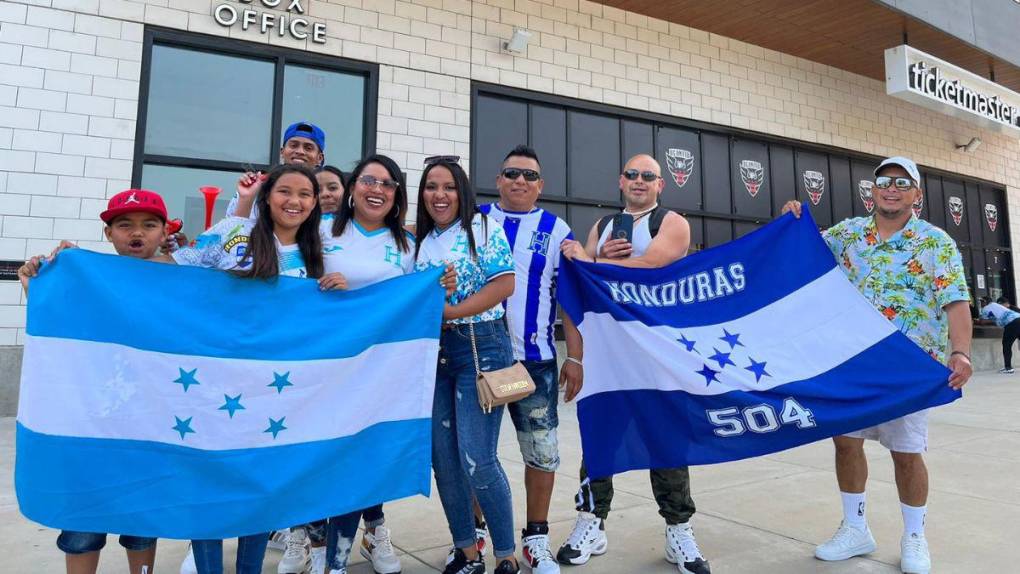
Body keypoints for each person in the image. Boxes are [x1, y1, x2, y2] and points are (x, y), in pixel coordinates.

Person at [782, 155, 972, 574]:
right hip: (853, 365)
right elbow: (802, 247)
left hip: (909, 371)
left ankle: (915, 535)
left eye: (902, 183)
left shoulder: (935, 242)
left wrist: (961, 352)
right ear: (872, 189)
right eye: (883, 181)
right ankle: (854, 528)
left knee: (906, 452)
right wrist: (792, 219)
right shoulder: (848, 234)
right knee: (846, 443)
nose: (891, 188)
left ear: (916, 194)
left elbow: (955, 301)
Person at [558, 154, 710, 574]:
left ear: (661, 185)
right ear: (620, 181)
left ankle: (678, 530)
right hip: (610, 359)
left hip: (657, 357)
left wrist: (596, 261)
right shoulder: (604, 227)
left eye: (648, 176)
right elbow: (580, 281)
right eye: (632, 174)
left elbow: (651, 265)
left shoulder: (671, 222)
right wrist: (575, 355)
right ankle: (591, 522)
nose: (639, 181)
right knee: (599, 441)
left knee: (666, 444)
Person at [172, 163, 326, 574]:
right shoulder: (231, 233)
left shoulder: (319, 254)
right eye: (285, 192)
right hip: (218, 383)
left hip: (277, 392)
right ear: (267, 196)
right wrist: (70, 268)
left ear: (314, 204)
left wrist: (337, 289)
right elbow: (172, 270)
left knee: (259, 487)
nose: (294, 201)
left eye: (305, 194)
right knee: (210, 480)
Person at [17, 189, 173, 574]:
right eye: (125, 225)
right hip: (90, 423)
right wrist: (42, 280)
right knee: (83, 522)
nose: (137, 234)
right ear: (108, 233)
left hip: (148, 425)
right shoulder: (88, 278)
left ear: (164, 231)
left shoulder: (181, 280)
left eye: (148, 225)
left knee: (142, 523)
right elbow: (58, 324)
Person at [413, 156, 519, 574]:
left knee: (478, 456)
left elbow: (504, 283)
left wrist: (451, 312)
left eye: (449, 187)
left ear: (463, 191)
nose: (439, 195)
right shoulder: (419, 240)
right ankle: (467, 551)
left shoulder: (483, 227)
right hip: (434, 354)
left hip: (481, 347)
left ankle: (506, 553)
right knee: (444, 458)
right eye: (431, 187)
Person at [475, 145, 578, 574]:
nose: (520, 181)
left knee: (541, 453)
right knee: (476, 454)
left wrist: (577, 358)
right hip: (480, 357)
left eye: (529, 176)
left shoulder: (557, 230)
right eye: (511, 173)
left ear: (541, 185)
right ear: (498, 179)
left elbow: (570, 299)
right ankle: (476, 536)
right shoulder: (474, 220)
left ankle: (536, 538)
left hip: (535, 362)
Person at [318, 155, 415, 574]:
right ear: (352, 187)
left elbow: (419, 300)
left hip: (382, 373)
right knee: (333, 457)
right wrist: (318, 286)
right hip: (325, 367)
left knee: (366, 456)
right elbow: (289, 274)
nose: (377, 190)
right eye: (369, 181)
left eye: (388, 184)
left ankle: (348, 551)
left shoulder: (408, 246)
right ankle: (321, 538)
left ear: (397, 197)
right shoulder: (319, 230)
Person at [225, 121, 327, 220]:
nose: (300, 151)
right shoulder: (257, 187)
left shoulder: (327, 194)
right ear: (282, 152)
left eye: (308, 148)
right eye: (293, 145)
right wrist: (246, 198)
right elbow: (231, 232)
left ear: (319, 158)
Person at [977, 295, 1020, 374]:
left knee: (1006, 345)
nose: (980, 304)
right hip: (1018, 318)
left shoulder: (985, 308)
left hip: (1011, 323)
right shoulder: (995, 305)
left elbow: (982, 322)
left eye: (981, 302)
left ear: (985, 302)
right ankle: (1008, 367)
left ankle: (1008, 368)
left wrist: (977, 320)